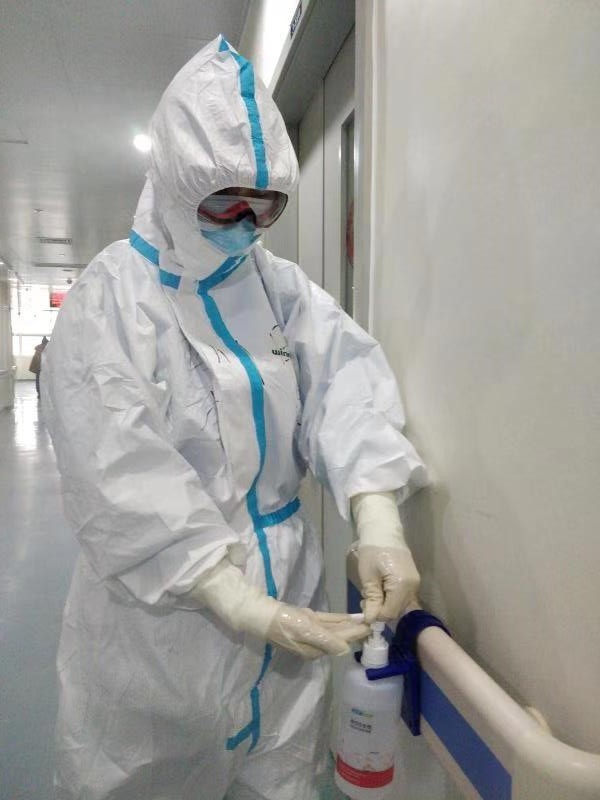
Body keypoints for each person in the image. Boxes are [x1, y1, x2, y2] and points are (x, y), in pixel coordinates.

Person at [42, 36, 427, 800]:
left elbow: (345, 386)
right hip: (161, 631)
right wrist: (236, 599)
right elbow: (114, 467)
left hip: (285, 622)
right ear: (175, 184)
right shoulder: (114, 295)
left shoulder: (280, 289)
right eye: (225, 202)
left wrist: (378, 517)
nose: (248, 224)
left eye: (266, 204)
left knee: (278, 777)